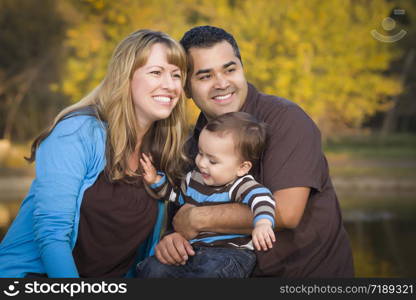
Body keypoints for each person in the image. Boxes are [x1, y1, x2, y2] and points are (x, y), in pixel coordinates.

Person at [154, 25, 355, 277]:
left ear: (242, 68)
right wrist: (172, 241)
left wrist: (197, 219)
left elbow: (285, 212)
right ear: (186, 89)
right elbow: (180, 218)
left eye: (230, 69)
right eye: (205, 76)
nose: (222, 83)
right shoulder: (193, 148)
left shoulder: (286, 120)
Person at [0, 29, 189, 278]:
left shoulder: (162, 152)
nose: (170, 85)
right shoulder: (77, 132)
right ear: (125, 77)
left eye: (176, 75)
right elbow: (52, 234)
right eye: (156, 72)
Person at [136, 112, 276, 278]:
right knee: (153, 268)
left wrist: (263, 224)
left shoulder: (240, 184)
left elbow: (263, 199)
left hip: (228, 253)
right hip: (193, 250)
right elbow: (176, 197)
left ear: (242, 167)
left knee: (211, 273)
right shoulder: (195, 178)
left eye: (212, 161)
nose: (201, 163)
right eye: (201, 153)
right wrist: (156, 181)